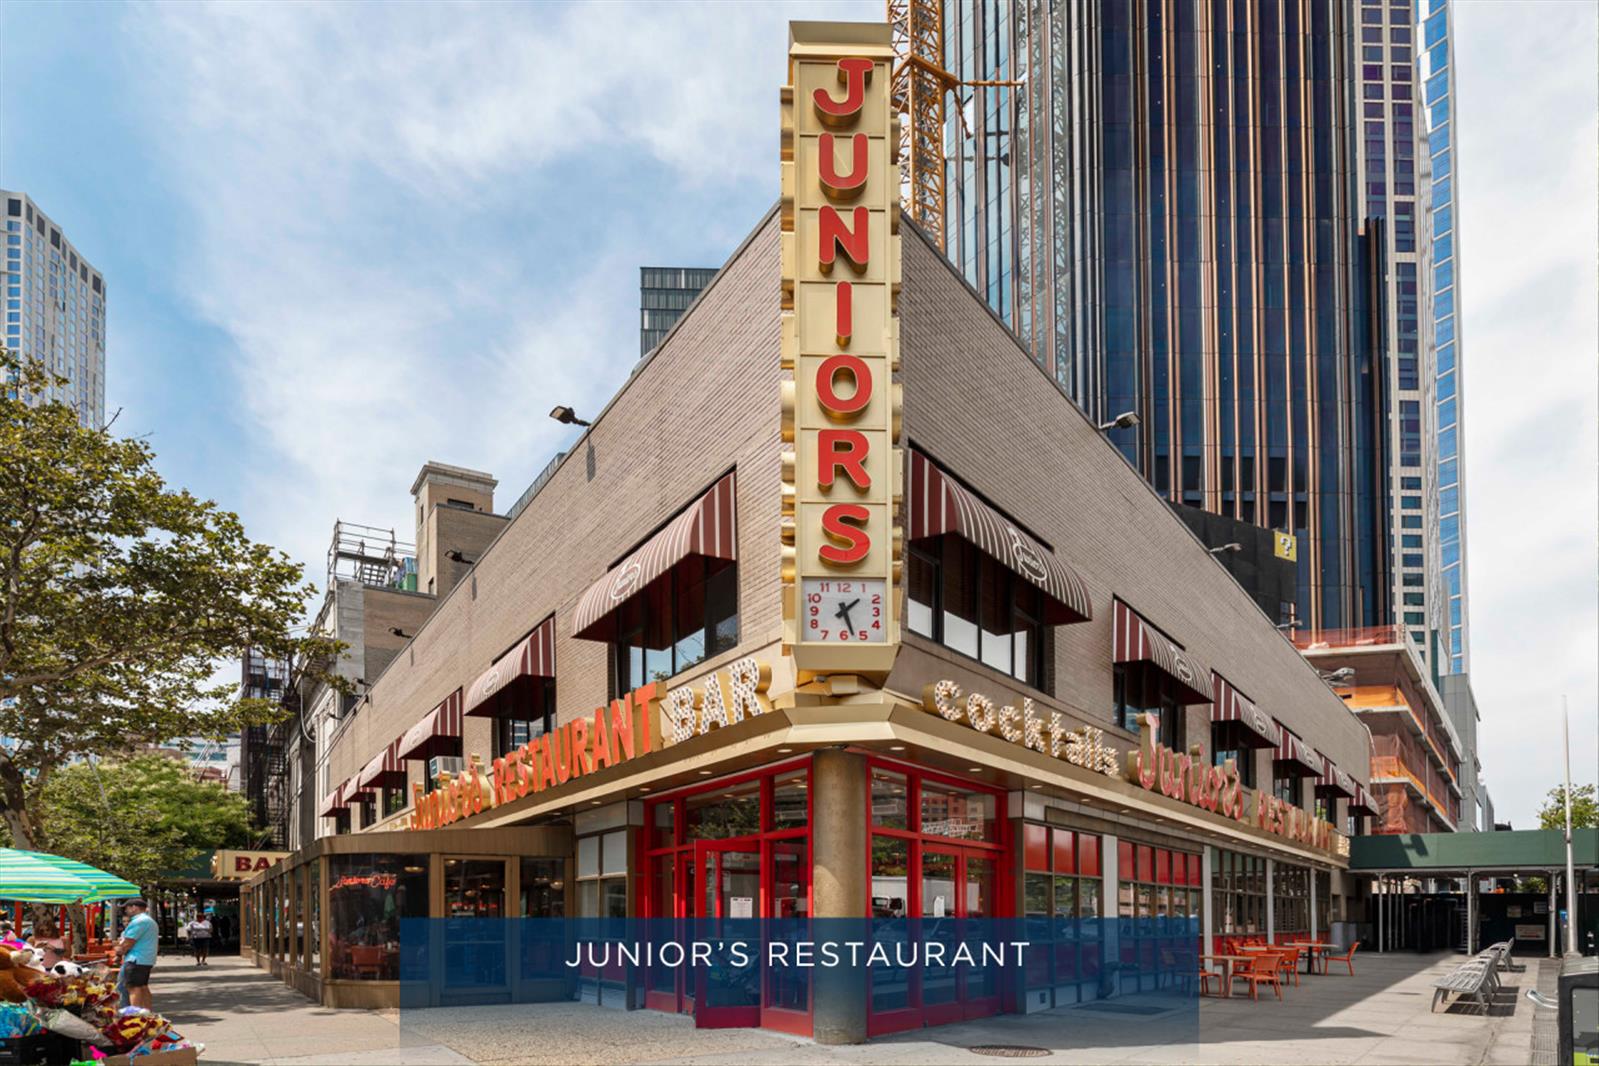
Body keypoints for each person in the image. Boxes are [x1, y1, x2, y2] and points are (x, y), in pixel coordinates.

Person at [111, 899, 158, 1011]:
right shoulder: (149, 921)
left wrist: (118, 951)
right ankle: (147, 1013)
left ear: (134, 907)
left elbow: (128, 943)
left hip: (135, 959)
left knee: (133, 988)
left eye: (126, 908)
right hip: (145, 959)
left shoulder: (139, 921)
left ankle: (134, 1015)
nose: (126, 911)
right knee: (142, 987)